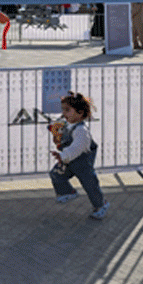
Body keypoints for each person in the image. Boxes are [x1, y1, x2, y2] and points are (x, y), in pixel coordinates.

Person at [48, 91, 109, 220]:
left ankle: (100, 205)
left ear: (80, 113)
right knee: (56, 174)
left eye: (68, 110)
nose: (64, 113)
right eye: (63, 110)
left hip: (82, 164)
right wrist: (56, 138)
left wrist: (63, 156)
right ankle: (68, 192)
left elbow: (77, 148)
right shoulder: (67, 125)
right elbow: (61, 141)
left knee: (90, 185)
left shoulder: (81, 131)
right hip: (68, 160)